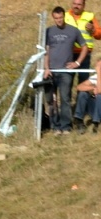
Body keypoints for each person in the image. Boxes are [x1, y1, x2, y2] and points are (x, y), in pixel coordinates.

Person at [45, 6, 88, 134]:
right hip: (51, 71)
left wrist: (77, 63)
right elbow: (46, 51)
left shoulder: (73, 31)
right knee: (51, 100)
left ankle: (66, 127)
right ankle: (55, 126)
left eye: (60, 17)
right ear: (53, 18)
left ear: (64, 16)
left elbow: (84, 47)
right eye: (56, 18)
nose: (59, 20)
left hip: (66, 72)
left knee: (65, 99)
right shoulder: (48, 31)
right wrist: (46, 68)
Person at [67, 0, 101, 82]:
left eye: (79, 4)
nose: (76, 6)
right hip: (68, 53)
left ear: (84, 6)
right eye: (74, 4)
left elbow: (99, 35)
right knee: (67, 80)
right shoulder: (65, 16)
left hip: (85, 54)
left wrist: (93, 29)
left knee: (83, 80)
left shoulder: (89, 17)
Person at [75, 59, 101, 132]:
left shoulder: (98, 75)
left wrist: (99, 73)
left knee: (99, 96)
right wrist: (93, 88)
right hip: (94, 107)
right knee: (83, 93)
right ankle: (79, 120)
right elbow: (79, 87)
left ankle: (96, 123)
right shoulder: (95, 77)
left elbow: (99, 91)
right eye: (98, 66)